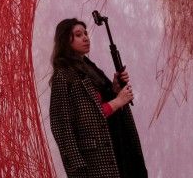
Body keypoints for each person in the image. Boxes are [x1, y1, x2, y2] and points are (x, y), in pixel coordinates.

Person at [48, 17, 147, 178]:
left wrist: (114, 88)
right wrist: (76, 164)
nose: (86, 38)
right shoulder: (63, 75)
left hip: (117, 144)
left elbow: (96, 102)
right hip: (94, 158)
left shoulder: (89, 68)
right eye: (79, 34)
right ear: (65, 40)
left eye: (86, 33)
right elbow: (61, 125)